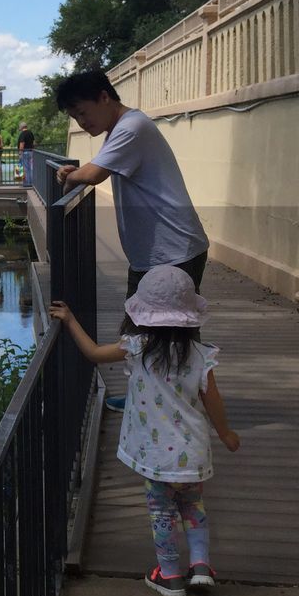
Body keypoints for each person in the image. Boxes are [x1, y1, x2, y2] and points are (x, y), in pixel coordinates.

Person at [49, 266, 240, 596]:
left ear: (142, 314)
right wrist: (226, 434)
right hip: (192, 452)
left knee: (162, 512)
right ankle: (200, 566)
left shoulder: (137, 347)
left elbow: (93, 354)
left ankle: (170, 576)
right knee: (193, 507)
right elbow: (213, 399)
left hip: (154, 457)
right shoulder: (200, 355)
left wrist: (69, 320)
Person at [54, 69, 209, 410]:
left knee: (170, 334)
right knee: (147, 329)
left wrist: (69, 175)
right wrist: (75, 173)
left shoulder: (131, 128)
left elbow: (92, 174)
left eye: (83, 111)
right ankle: (152, 395)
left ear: (104, 97)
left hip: (173, 250)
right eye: (74, 116)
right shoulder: (120, 129)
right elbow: (94, 169)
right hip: (159, 252)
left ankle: (177, 401)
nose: (81, 122)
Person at [17, 121, 36, 188]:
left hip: (25, 152)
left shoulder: (22, 134)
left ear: (21, 127)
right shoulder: (31, 133)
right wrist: (33, 150)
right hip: (31, 152)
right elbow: (34, 143)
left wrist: (20, 153)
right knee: (30, 168)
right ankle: (31, 183)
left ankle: (27, 184)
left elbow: (22, 144)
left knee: (24, 168)